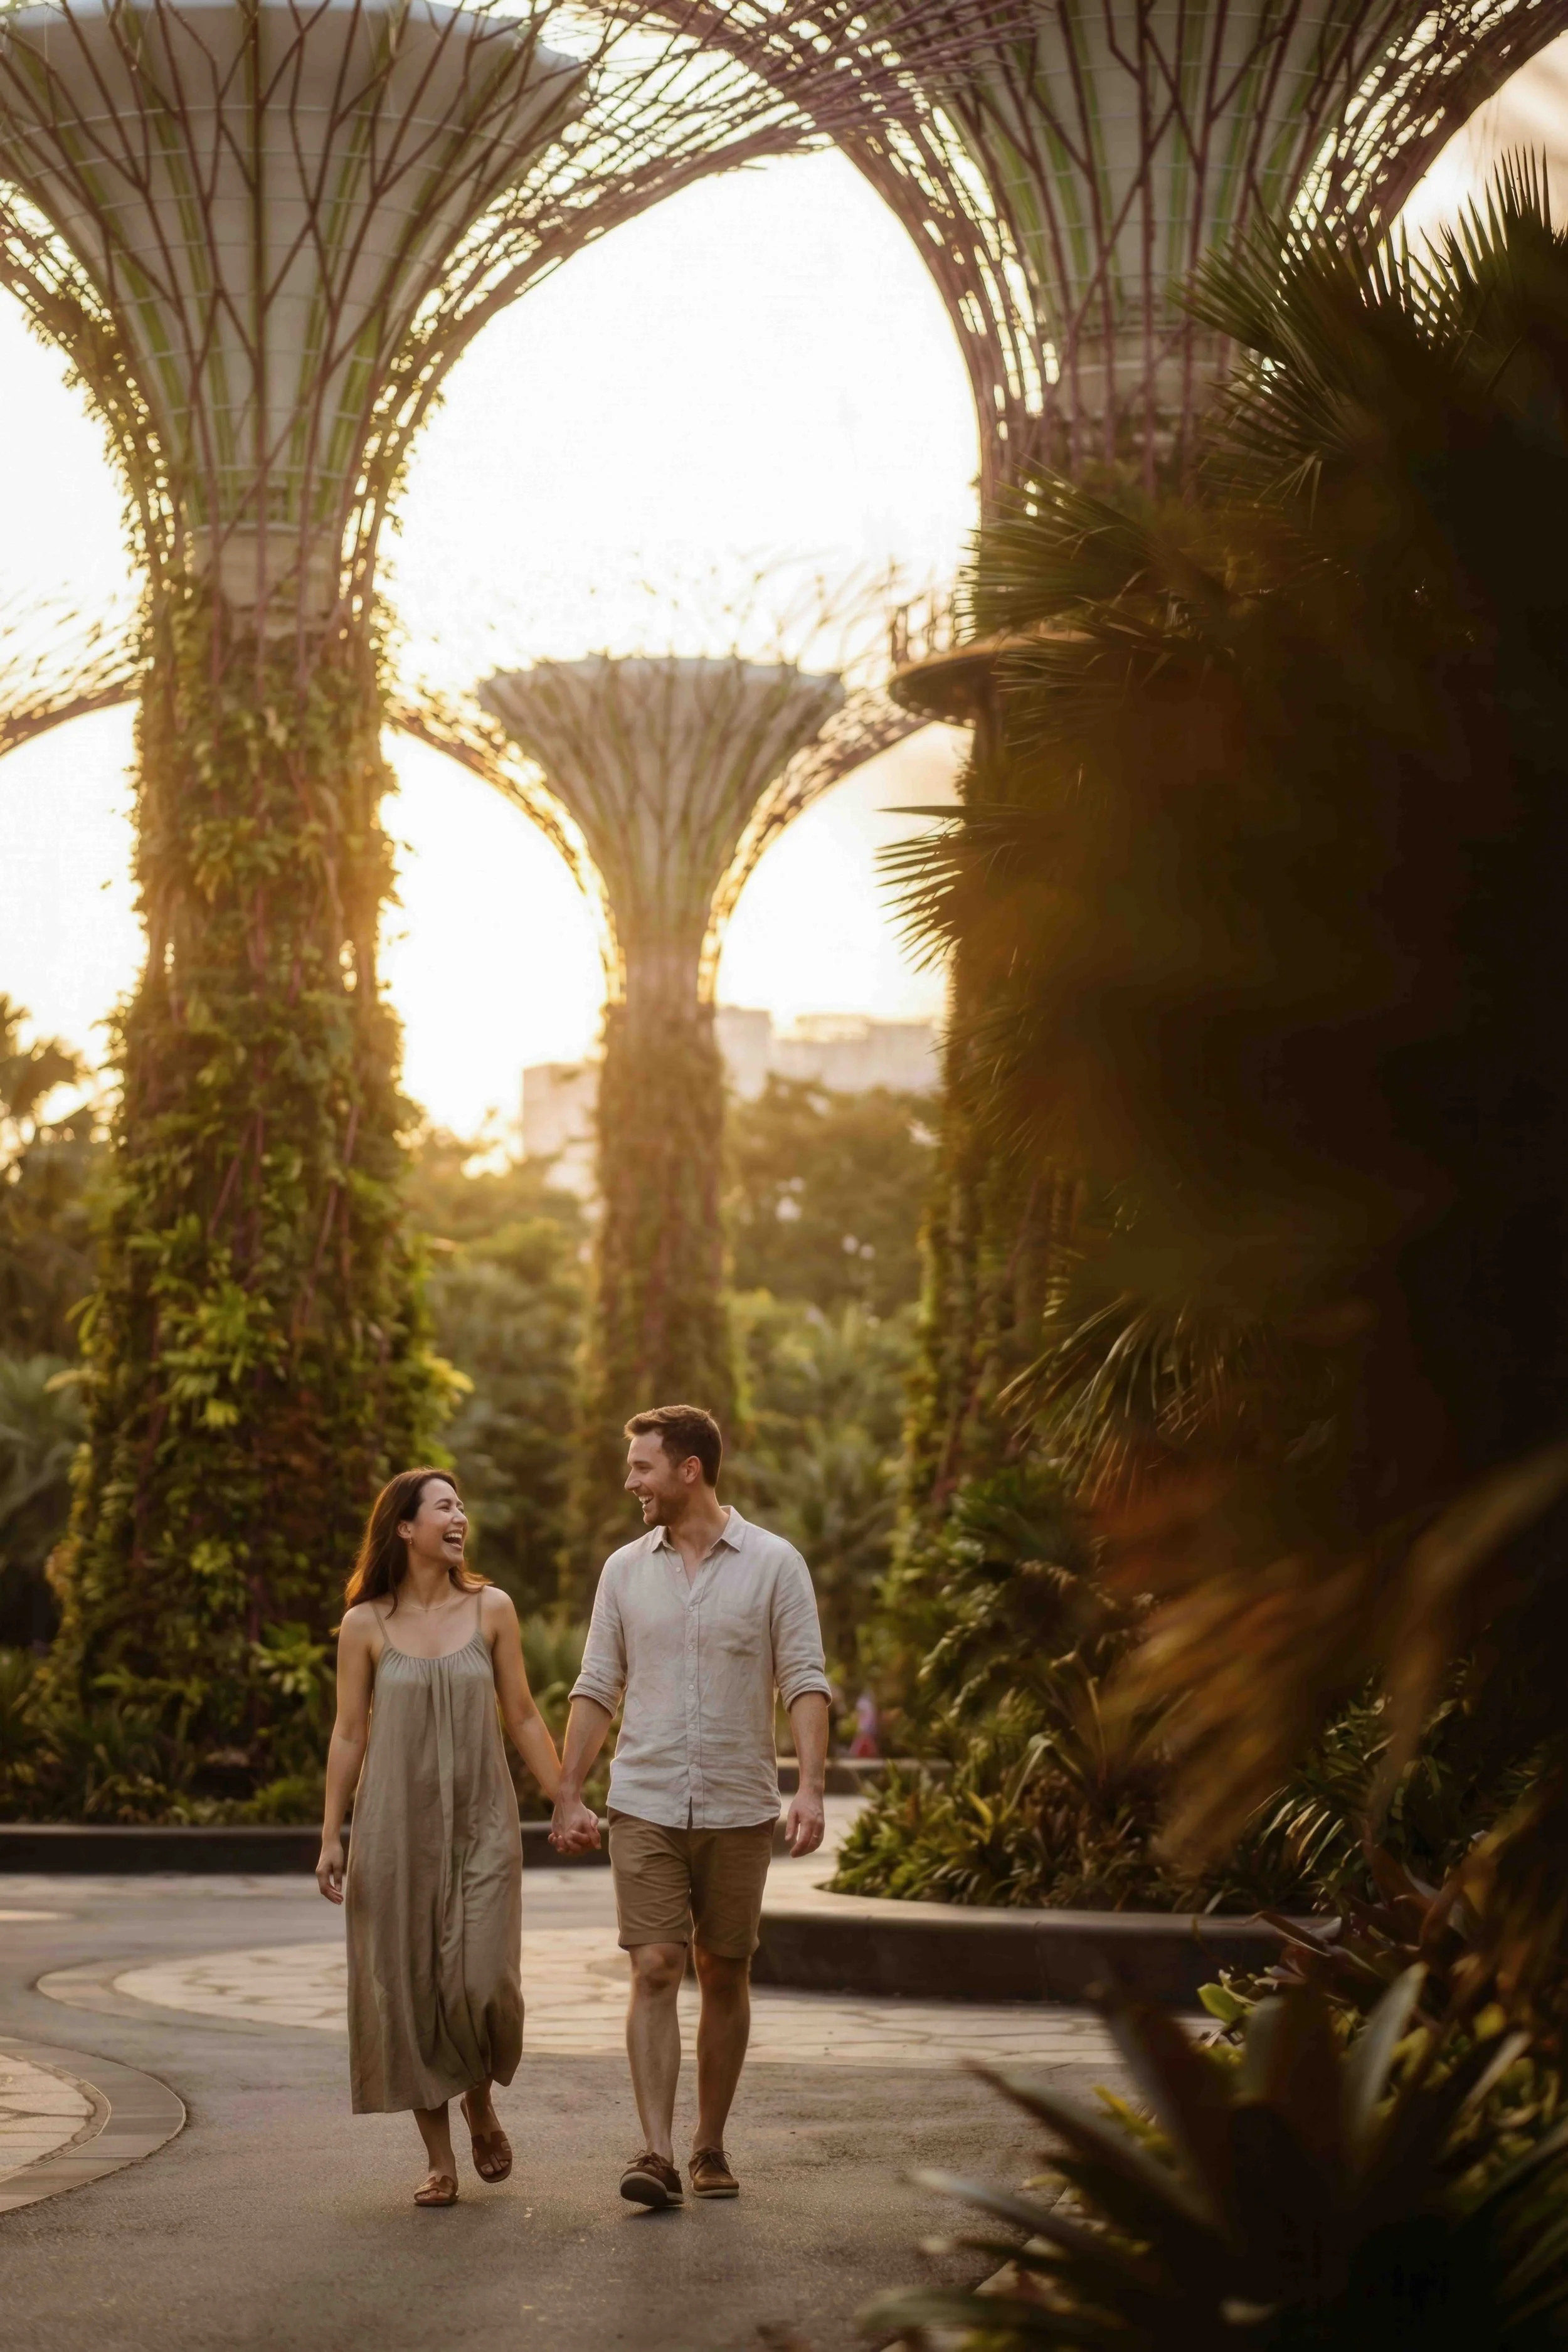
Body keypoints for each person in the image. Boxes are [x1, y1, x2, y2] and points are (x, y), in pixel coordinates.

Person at [550, 1402, 832, 2210]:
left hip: (739, 1804)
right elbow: (597, 1684)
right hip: (643, 1800)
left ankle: (709, 2144)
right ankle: (657, 2152)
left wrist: (810, 1787)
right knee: (655, 1966)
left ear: (688, 1470)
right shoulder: (623, 1571)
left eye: (641, 1467)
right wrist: (568, 1790)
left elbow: (804, 1679)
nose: (630, 1482)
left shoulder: (776, 1564)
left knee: (724, 1970)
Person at [316, 1466, 564, 2208]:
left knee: (484, 1982)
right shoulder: (365, 1625)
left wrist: (567, 1798)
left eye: (462, 1507)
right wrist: (332, 1834)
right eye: (444, 1507)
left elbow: (523, 1715)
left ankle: (478, 2096)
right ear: (404, 1527)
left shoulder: (492, 1609)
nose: (460, 1518)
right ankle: (438, 2159)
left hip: (483, 1821)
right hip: (394, 1829)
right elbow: (349, 1733)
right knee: (409, 1986)